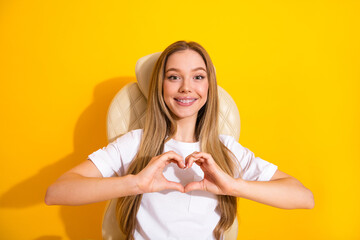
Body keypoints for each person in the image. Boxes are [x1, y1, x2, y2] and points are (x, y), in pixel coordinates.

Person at [45, 41, 314, 240]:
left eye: (198, 77)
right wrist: (136, 183)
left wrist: (233, 186)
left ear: (208, 87)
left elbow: (303, 197)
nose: (186, 87)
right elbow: (56, 192)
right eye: (174, 77)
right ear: (160, 86)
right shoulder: (136, 144)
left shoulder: (226, 150)